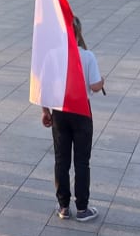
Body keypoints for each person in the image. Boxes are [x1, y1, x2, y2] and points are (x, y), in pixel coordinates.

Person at [41, 16, 105, 222]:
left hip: (60, 111)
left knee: (61, 160)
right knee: (82, 162)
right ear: (78, 33)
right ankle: (83, 208)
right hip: (82, 112)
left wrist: (46, 111)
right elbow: (95, 85)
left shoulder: (52, 56)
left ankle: (63, 206)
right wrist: (102, 81)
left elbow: (45, 88)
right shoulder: (87, 56)